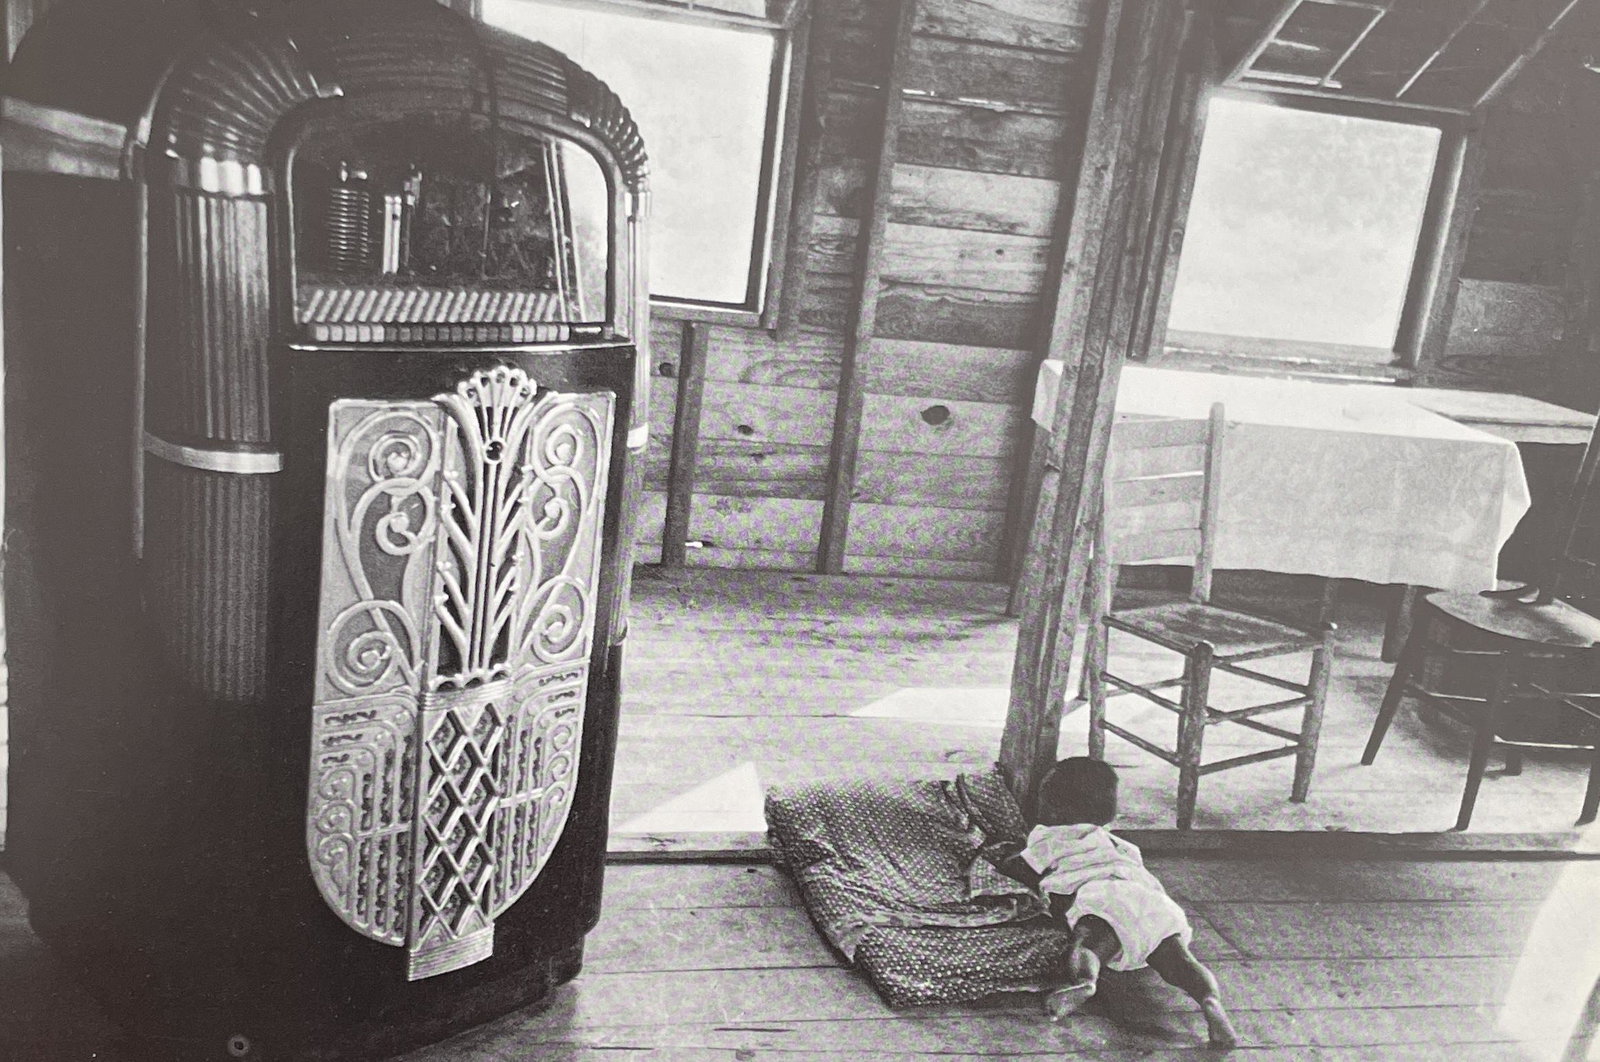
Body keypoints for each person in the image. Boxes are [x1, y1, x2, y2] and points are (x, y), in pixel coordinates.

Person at [993, 757, 1240, 1049]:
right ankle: (1210, 1001)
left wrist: (1004, 855)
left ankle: (1085, 981)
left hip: (1102, 894)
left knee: (1090, 940)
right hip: (1151, 900)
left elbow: (1016, 867)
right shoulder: (1120, 844)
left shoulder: (1052, 838)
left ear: (1054, 810)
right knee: (1179, 959)